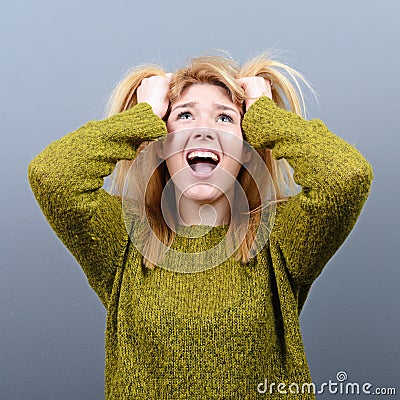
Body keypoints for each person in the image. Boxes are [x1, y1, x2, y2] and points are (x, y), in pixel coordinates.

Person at [28, 53, 373, 399]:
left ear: (247, 140)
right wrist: (141, 115)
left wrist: (266, 115)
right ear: (161, 139)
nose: (204, 130)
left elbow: (345, 178)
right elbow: (53, 176)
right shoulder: (124, 237)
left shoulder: (280, 236)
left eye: (224, 117)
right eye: (185, 115)